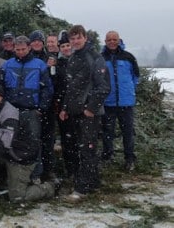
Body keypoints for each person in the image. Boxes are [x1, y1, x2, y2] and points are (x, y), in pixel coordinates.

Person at [0, 84, 55, 201]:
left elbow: (3, 145)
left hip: (20, 157)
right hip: (8, 152)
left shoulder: (9, 115)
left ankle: (49, 187)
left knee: (17, 197)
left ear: (1, 97)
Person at [59, 25, 110, 203]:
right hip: (74, 111)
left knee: (87, 150)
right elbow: (70, 87)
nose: (75, 41)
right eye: (72, 39)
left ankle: (82, 188)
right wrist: (65, 108)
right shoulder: (73, 58)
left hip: (89, 114)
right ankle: (92, 181)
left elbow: (103, 87)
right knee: (78, 148)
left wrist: (91, 108)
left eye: (78, 38)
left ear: (85, 38)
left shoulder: (95, 58)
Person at [2, 35, 54, 182]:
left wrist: (41, 108)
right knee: (11, 142)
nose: (20, 52)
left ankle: (36, 175)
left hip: (32, 110)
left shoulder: (39, 64)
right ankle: (14, 176)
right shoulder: (7, 64)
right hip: (11, 110)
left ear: (29, 47)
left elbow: (47, 89)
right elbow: (2, 87)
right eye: (17, 49)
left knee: (34, 143)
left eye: (23, 49)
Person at [101, 30, 140, 171]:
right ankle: (107, 157)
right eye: (109, 40)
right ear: (105, 42)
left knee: (128, 132)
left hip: (126, 103)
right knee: (107, 132)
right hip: (108, 102)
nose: (112, 42)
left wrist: (128, 90)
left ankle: (129, 159)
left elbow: (136, 77)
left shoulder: (128, 57)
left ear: (119, 40)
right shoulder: (101, 58)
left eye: (114, 39)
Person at [53, 30, 77, 179]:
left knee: (78, 139)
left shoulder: (78, 61)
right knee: (66, 139)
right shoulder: (57, 64)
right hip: (62, 106)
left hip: (78, 106)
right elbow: (56, 85)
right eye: (63, 46)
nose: (66, 48)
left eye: (68, 45)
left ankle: (80, 168)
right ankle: (70, 169)